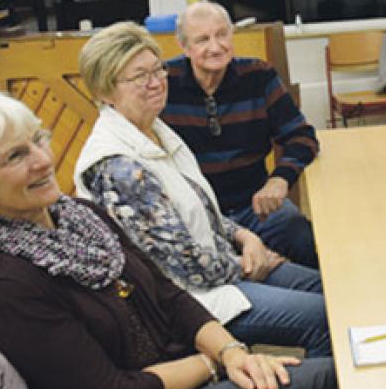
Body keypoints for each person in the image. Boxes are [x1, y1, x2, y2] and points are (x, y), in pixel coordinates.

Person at [0, 92, 341, 389]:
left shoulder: (80, 216)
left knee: (332, 371)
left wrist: (232, 352)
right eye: (16, 156)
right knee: (333, 382)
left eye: (38, 140)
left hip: (181, 378)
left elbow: (168, 296)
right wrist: (215, 363)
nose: (43, 160)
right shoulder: (5, 286)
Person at [73, 22, 331, 358]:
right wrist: (249, 264)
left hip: (222, 269)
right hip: (191, 301)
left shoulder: (155, 129)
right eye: (139, 77)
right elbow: (186, 267)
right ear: (105, 91)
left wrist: (246, 237)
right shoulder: (119, 167)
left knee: (332, 288)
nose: (156, 82)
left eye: (158, 70)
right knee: (324, 317)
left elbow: (201, 209)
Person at [160, 1, 320, 269]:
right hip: (197, 214)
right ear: (184, 47)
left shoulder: (259, 76)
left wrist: (280, 179)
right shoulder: (163, 83)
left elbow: (301, 136)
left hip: (255, 206)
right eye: (202, 40)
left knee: (306, 241)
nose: (215, 47)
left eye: (222, 35)